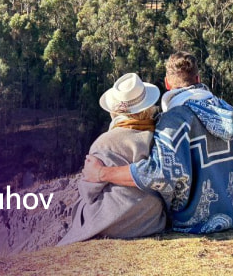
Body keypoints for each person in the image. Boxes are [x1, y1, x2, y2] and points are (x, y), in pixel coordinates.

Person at [83, 51, 233, 234]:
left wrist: (102, 173)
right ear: (197, 79)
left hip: (196, 221)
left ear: (167, 84)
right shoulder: (229, 112)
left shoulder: (173, 122)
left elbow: (160, 174)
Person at [58, 73, 166, 245]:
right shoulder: (159, 137)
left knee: (81, 209)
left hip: (113, 223)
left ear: (115, 110)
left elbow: (88, 190)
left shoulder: (104, 143)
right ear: (148, 106)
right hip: (150, 220)